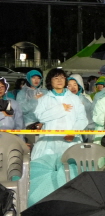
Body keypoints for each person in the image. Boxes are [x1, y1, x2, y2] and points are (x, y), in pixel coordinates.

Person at [28, 69, 89, 204]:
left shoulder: (74, 98)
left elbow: (82, 119)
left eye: (62, 78)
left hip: (70, 141)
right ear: (50, 81)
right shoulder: (44, 99)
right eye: (56, 78)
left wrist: (73, 132)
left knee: (71, 173)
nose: (60, 80)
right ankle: (47, 202)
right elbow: (41, 116)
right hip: (49, 142)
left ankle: (71, 202)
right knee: (47, 174)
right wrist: (60, 109)